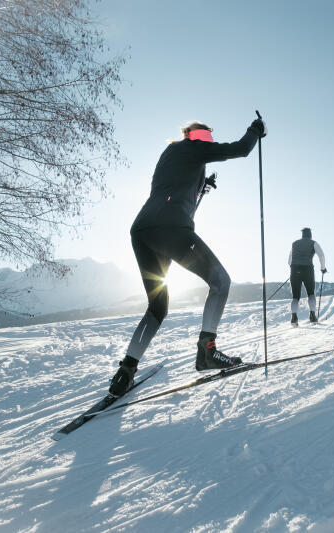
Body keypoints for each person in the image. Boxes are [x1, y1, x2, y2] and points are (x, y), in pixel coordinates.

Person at [108, 118, 266, 396]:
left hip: (143, 230)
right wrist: (256, 130)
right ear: (194, 134)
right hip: (171, 229)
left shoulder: (171, 155)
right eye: (206, 134)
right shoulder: (194, 147)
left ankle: (127, 369)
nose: (208, 138)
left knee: (157, 307)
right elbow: (241, 149)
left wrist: (201, 188)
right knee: (221, 282)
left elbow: (176, 193)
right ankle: (207, 353)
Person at [288, 227, 326, 326]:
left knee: (295, 296)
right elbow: (321, 255)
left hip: (295, 270)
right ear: (310, 234)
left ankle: (294, 317)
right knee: (311, 293)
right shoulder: (313, 243)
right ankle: (312, 316)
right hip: (308, 270)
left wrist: (294, 268)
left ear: (302, 234)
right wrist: (323, 268)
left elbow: (289, 261)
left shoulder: (294, 243)